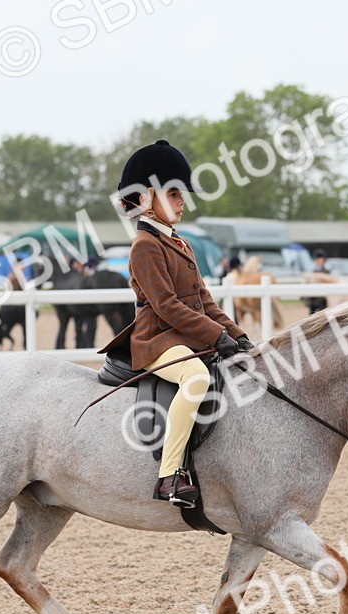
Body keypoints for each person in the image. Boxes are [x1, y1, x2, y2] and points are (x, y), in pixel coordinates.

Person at [98, 140, 253, 508]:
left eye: (182, 193)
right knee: (196, 378)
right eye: (173, 193)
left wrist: (239, 336)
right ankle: (169, 476)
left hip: (183, 337)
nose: (182, 202)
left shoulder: (180, 244)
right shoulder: (144, 247)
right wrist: (215, 335)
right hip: (156, 341)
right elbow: (166, 307)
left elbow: (205, 302)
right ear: (147, 197)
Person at [305, 249, 329, 315]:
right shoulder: (313, 271)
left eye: (320, 259)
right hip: (313, 295)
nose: (318, 261)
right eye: (316, 259)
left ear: (323, 260)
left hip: (323, 296)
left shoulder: (326, 271)